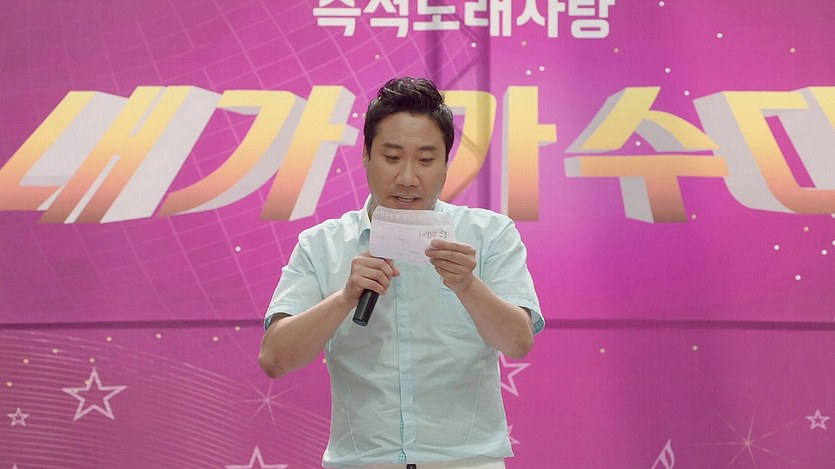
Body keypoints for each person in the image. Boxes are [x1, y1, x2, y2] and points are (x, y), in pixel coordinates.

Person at [259, 77, 544, 469]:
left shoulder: (489, 234)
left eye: (425, 160)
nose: (408, 178)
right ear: (366, 154)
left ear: (446, 162)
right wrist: (344, 298)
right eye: (392, 157)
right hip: (361, 461)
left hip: (466, 460)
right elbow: (274, 358)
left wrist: (467, 285)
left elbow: (518, 342)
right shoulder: (322, 245)